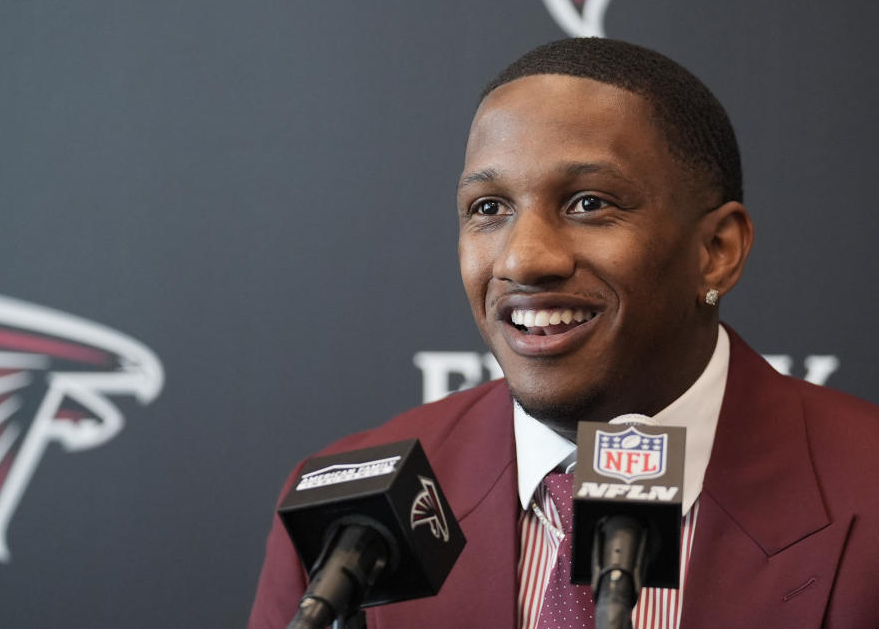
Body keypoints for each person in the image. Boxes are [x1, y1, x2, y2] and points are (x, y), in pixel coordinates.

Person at [249, 38, 879, 629]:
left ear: (716, 251)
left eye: (589, 203)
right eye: (489, 208)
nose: (523, 260)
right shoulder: (345, 515)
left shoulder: (864, 485)